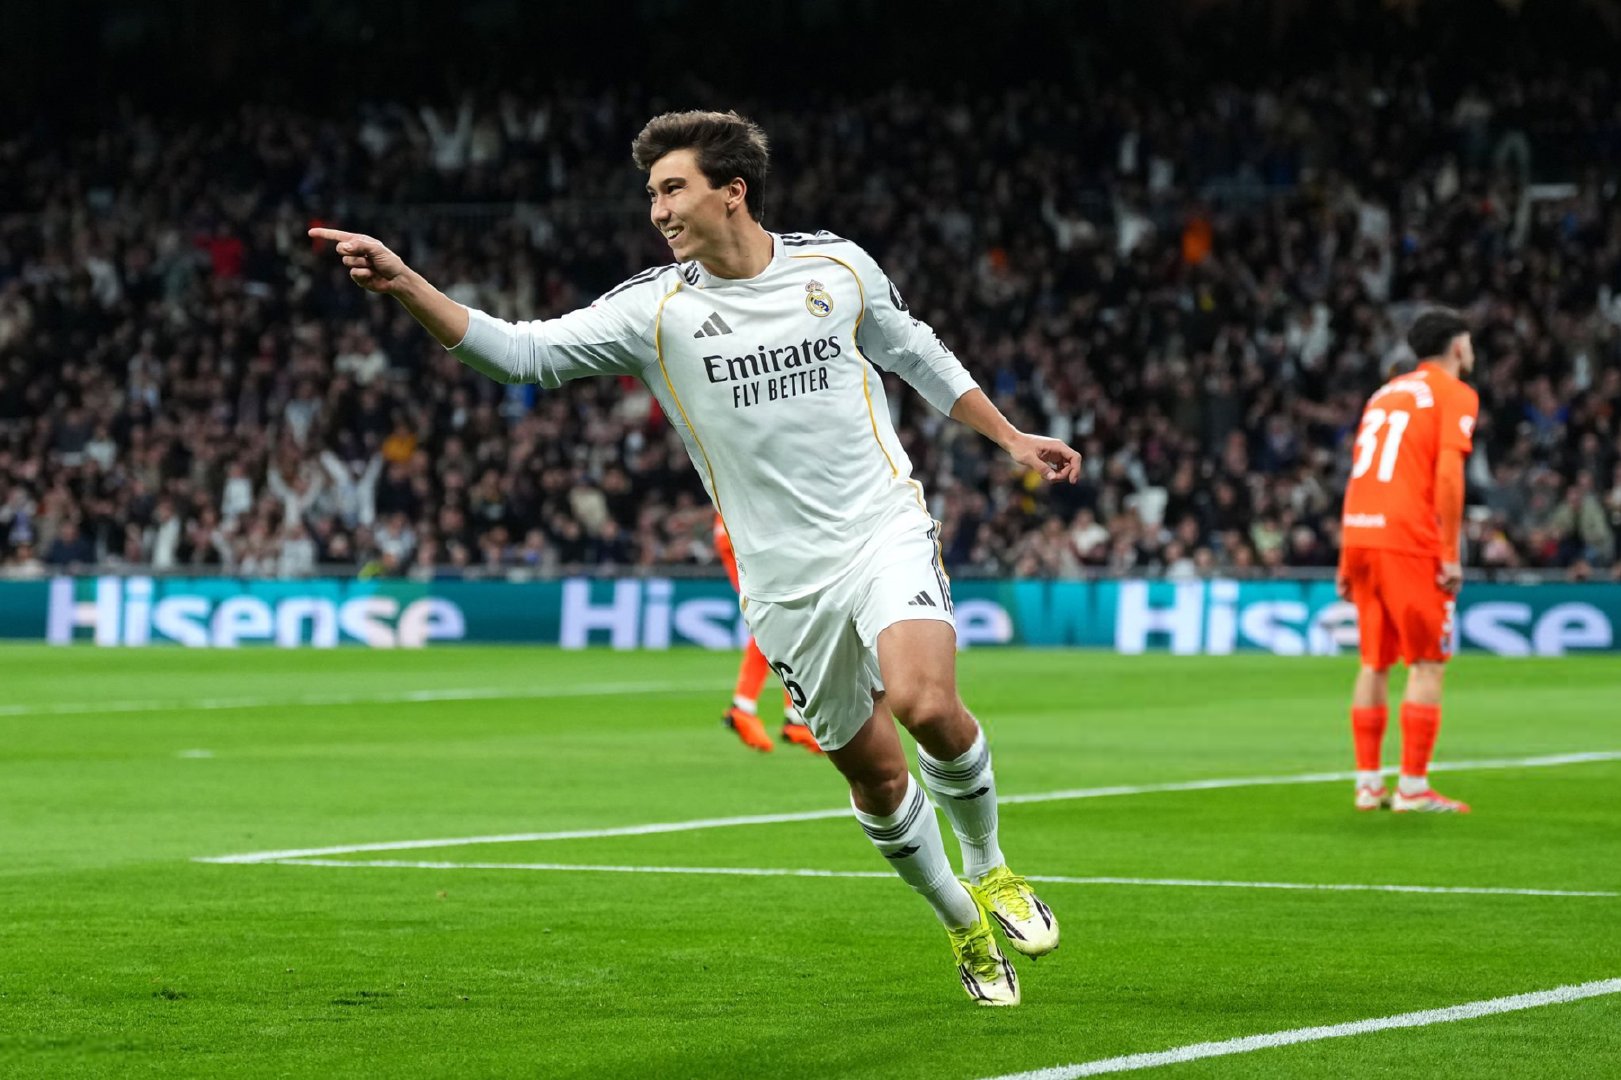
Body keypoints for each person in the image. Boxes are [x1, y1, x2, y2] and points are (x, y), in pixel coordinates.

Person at [310, 109, 1079, 1006]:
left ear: (732, 192)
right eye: (651, 195)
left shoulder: (836, 267)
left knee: (925, 702)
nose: (659, 211)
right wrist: (407, 283)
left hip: (881, 528)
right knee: (874, 775)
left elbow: (915, 351)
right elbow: (520, 354)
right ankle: (959, 921)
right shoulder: (654, 310)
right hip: (782, 581)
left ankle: (989, 868)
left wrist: (1008, 436)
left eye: (672, 189)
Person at [1337, 308, 1480, 814]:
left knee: (1374, 662)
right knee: (1427, 662)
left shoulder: (1384, 393)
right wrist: (1450, 552)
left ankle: (1368, 784)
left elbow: (1360, 472)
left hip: (1362, 532)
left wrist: (1346, 554)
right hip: (1408, 537)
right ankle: (1413, 789)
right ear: (1457, 346)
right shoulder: (1454, 393)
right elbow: (1448, 476)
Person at [713, 512, 822, 754]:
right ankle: (745, 707)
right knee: (775, 618)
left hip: (740, 526)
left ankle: (793, 717)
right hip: (749, 527)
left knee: (783, 622)